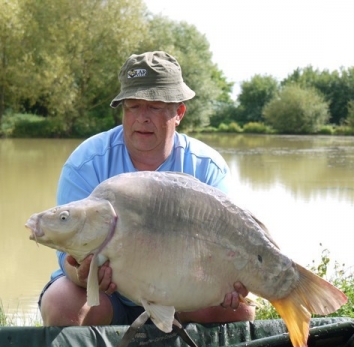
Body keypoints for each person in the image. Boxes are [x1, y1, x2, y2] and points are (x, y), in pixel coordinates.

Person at [39, 51, 255, 327]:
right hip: (106, 296)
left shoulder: (206, 167)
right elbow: (65, 255)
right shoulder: (86, 162)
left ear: (178, 113)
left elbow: (229, 244)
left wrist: (226, 282)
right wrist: (81, 275)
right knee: (62, 304)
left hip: (182, 293)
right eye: (133, 106)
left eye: (154, 107)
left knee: (239, 313)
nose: (142, 117)